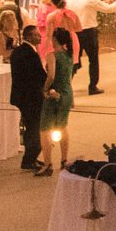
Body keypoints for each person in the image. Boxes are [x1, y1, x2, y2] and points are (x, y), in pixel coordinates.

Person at [64, 0, 116, 96]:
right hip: (88, 31)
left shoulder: (67, 1)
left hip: (73, 33)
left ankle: (66, 84)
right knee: (93, 59)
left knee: (73, 59)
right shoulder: (90, 0)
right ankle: (92, 86)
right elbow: (108, 9)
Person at [37, 28, 76, 176]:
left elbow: (51, 76)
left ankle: (47, 164)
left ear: (54, 39)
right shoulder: (69, 55)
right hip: (67, 94)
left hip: (55, 94)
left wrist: (45, 89)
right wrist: (72, 98)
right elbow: (68, 77)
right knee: (62, 127)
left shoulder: (52, 56)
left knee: (45, 129)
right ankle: (64, 159)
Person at [8, 23, 45, 171]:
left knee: (31, 127)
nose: (40, 36)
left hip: (22, 96)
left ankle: (31, 157)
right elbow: (38, 75)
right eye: (37, 35)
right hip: (30, 97)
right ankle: (30, 159)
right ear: (29, 37)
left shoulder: (19, 51)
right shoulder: (29, 53)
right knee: (34, 128)